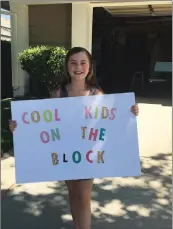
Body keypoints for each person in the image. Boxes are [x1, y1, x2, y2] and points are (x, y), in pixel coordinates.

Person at [9, 46, 139, 229]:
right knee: (73, 193)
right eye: (73, 62)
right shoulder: (58, 93)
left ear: (90, 67)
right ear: (67, 66)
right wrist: (20, 127)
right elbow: (44, 123)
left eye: (83, 62)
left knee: (84, 196)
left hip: (88, 153)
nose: (78, 67)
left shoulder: (96, 93)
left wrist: (129, 112)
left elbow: (110, 118)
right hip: (65, 152)